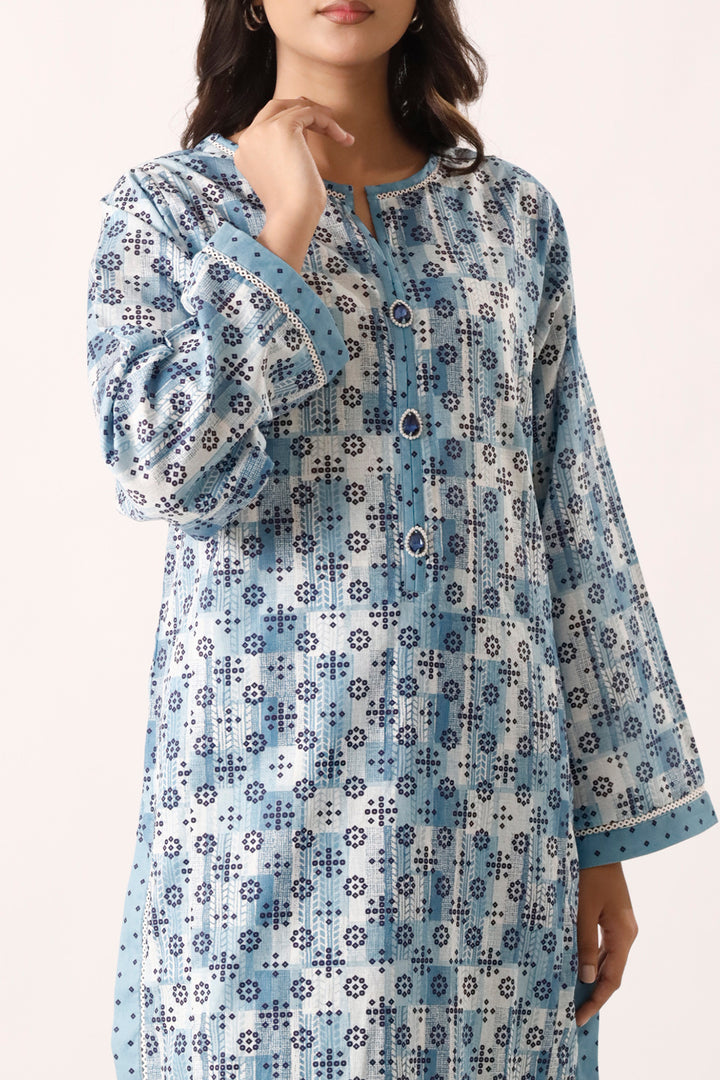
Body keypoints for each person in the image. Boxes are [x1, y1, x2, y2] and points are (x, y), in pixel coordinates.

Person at [86, 2, 718, 1078]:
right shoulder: (170, 209)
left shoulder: (513, 217)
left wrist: (601, 841)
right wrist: (284, 224)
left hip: (491, 815)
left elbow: (570, 514)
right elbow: (159, 465)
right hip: (257, 813)